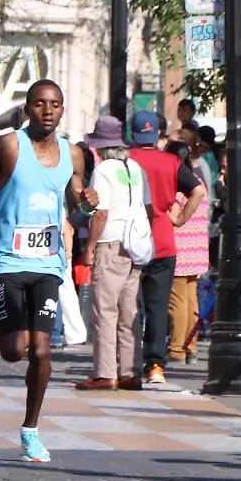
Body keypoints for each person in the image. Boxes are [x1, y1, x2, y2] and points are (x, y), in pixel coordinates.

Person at [0, 79, 93, 464]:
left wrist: (87, 205)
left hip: (48, 264)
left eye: (55, 104)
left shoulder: (73, 154)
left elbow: (76, 201)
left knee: (41, 350)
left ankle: (30, 430)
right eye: (39, 104)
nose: (47, 110)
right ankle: (10, 325)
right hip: (7, 259)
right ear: (27, 109)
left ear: (62, 110)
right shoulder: (8, 145)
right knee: (13, 351)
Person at [128, 111, 206, 384]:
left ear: (132, 134)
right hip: (162, 241)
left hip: (128, 242)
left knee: (125, 305)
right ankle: (155, 366)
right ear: (157, 135)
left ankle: (126, 361)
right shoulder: (171, 161)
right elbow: (198, 190)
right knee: (157, 307)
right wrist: (182, 219)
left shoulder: (126, 160)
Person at [76, 116, 146, 391]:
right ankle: (130, 371)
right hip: (134, 244)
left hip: (111, 244)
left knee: (105, 311)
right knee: (130, 312)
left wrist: (90, 247)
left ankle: (105, 372)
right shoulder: (134, 168)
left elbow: (101, 213)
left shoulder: (103, 170)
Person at [163, 141, 210, 366]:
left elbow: (172, 213)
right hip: (198, 250)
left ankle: (176, 349)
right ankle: (191, 346)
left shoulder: (176, 185)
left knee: (177, 302)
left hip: (180, 250)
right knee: (191, 302)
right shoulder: (198, 182)